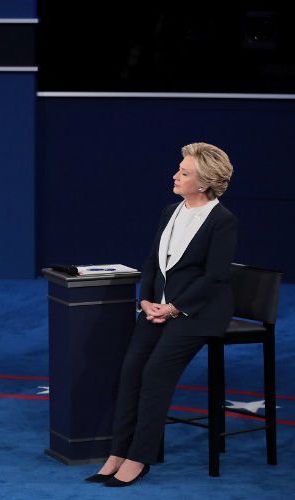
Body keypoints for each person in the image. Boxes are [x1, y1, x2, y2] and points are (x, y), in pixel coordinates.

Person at [85, 142, 237, 487]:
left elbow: (215, 277)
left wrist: (173, 307)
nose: (175, 175)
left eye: (184, 173)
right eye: (178, 169)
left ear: (203, 183)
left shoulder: (222, 221)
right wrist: (146, 302)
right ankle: (118, 452)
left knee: (154, 375)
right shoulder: (171, 210)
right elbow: (154, 263)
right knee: (131, 371)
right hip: (157, 309)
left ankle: (139, 458)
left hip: (197, 313)